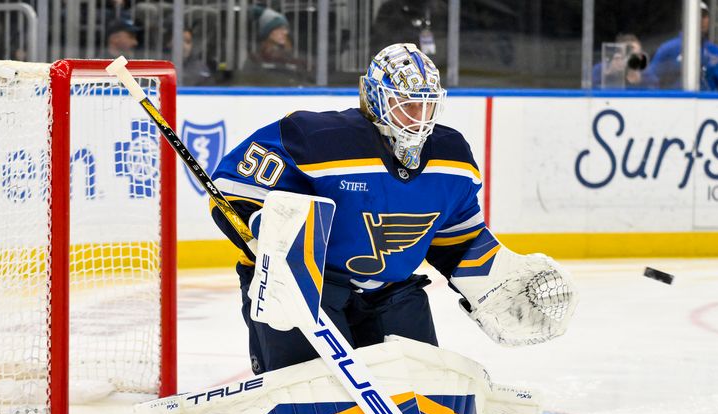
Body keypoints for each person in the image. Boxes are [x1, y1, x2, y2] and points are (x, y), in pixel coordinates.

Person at [209, 42, 576, 376]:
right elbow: (230, 187)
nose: (420, 115)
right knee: (308, 398)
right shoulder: (317, 138)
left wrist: (500, 277)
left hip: (393, 293)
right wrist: (265, 234)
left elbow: (458, 241)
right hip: (309, 288)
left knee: (428, 394)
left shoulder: (453, 157)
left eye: (427, 102)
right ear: (376, 99)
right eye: (407, 103)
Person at [643, 1, 718, 90]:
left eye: (704, 16)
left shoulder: (717, 53)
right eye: (696, 15)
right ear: (685, 19)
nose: (700, 20)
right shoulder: (668, 50)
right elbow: (650, 82)